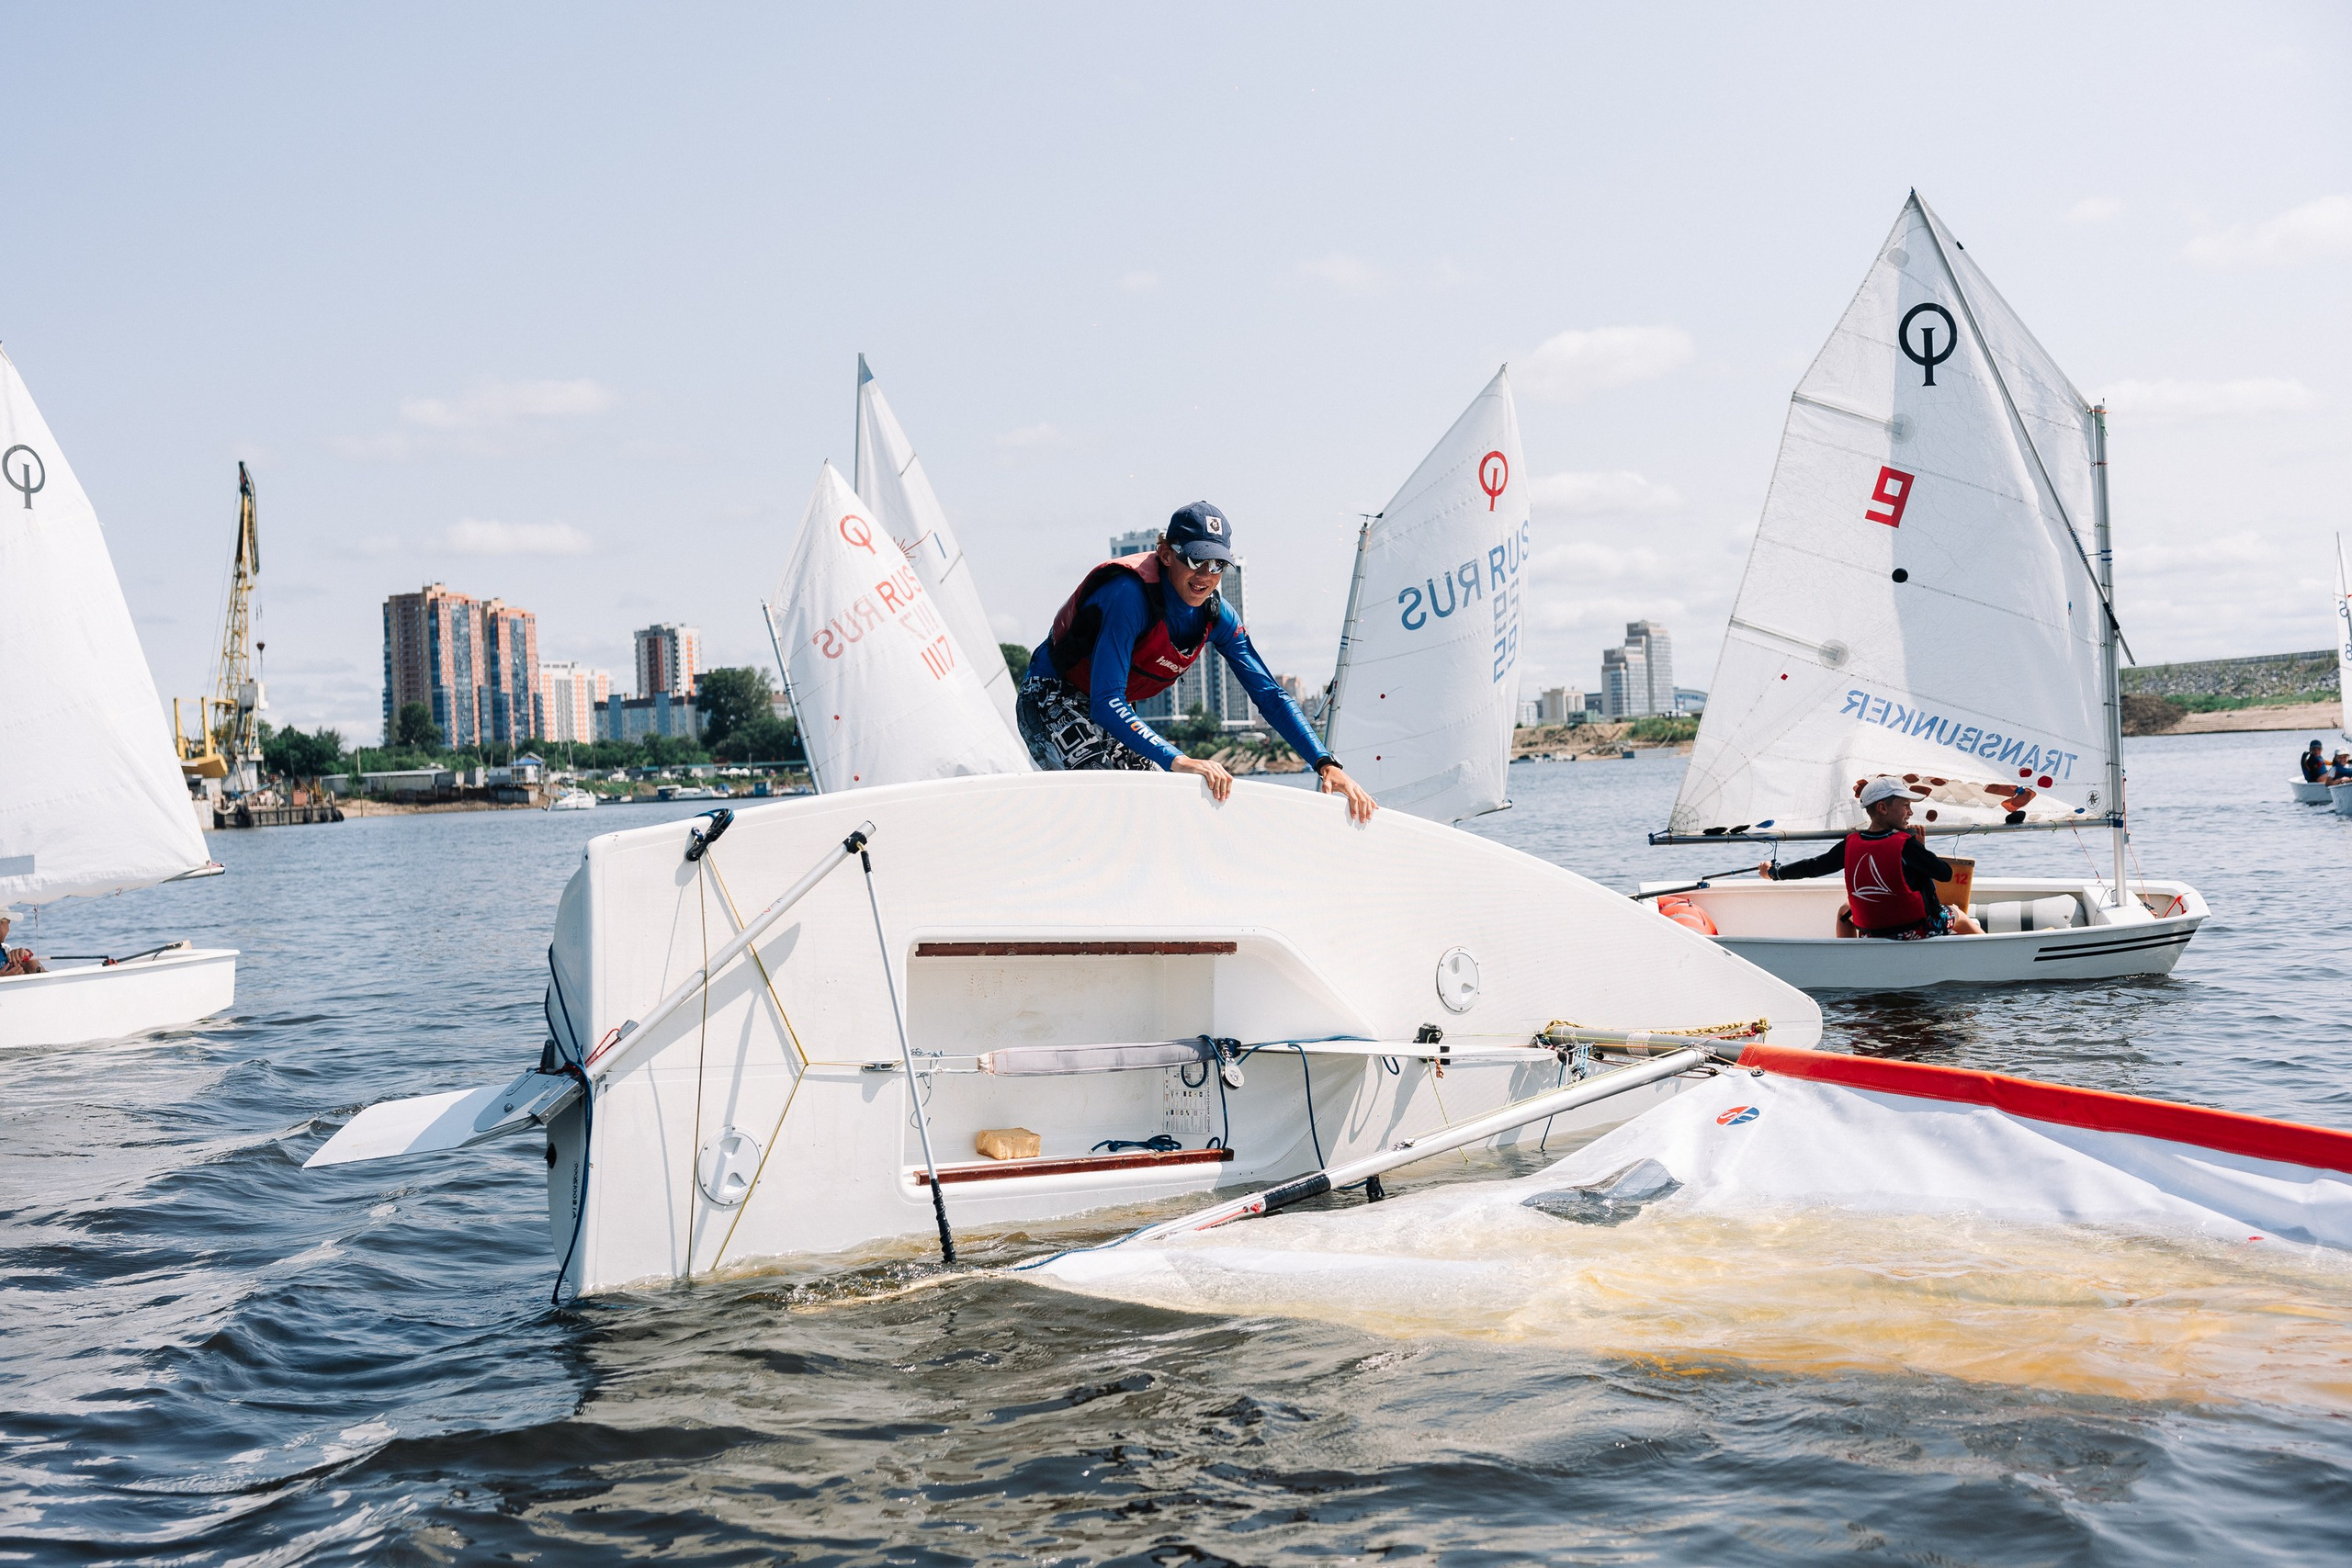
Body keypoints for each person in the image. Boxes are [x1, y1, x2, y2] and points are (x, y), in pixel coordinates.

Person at [1022, 502, 1377, 823]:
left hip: (1112, 709)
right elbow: (1106, 702)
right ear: (1165, 554)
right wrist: (1180, 759)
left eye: (1218, 564)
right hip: (1053, 699)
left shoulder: (1217, 616)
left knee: (1163, 806)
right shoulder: (1128, 596)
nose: (1206, 575)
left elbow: (1270, 695)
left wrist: (1325, 763)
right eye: (1195, 560)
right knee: (1116, 807)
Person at [1757, 777, 1984, 940]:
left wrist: (1775, 873)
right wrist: (1920, 848)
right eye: (1905, 806)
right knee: (1956, 913)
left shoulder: (1850, 843)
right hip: (1917, 930)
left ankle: (1852, 958)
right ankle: (1989, 950)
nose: (1910, 813)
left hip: (1873, 932)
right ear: (1883, 808)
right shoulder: (1907, 845)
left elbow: (1813, 867)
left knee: (1845, 910)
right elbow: (1945, 874)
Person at [0, 910, 43, 976]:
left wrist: (27, 959)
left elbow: (40, 972)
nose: (8, 929)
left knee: (31, 964)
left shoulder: (5, 949)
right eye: (8, 923)